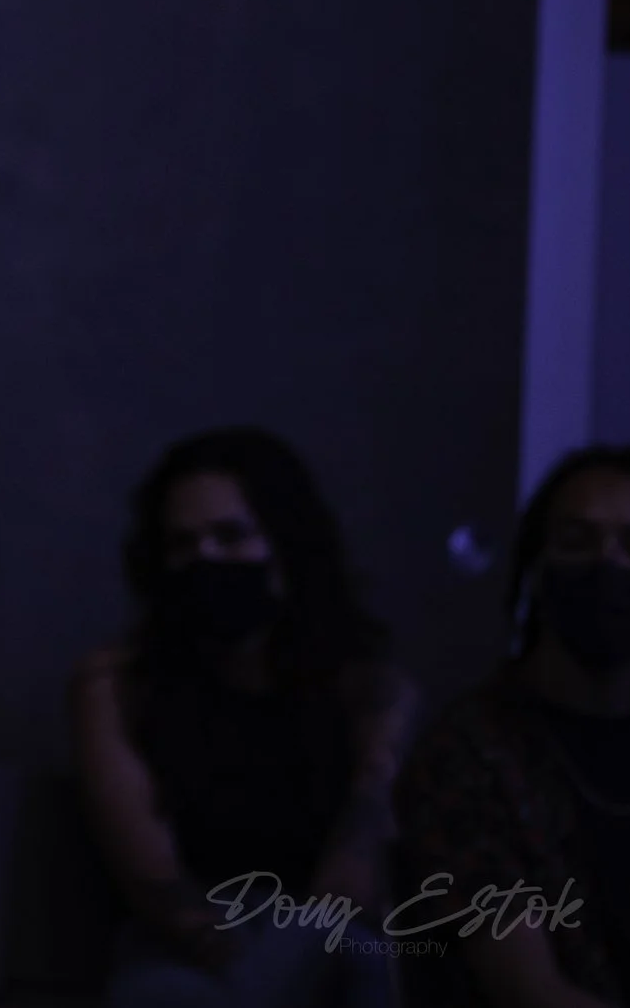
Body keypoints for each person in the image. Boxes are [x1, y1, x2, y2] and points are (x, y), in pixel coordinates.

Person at [71, 428, 416, 1008]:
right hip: (182, 951)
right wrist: (241, 969)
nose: (205, 559)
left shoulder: (369, 691)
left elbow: (353, 880)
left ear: (285, 547)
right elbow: (153, 881)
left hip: (325, 939)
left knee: (357, 958)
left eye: (231, 536)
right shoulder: (115, 686)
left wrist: (280, 965)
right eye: (182, 544)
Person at [394, 445, 630, 1008]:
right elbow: (528, 990)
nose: (608, 564)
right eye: (576, 541)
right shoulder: (467, 754)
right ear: (537, 574)